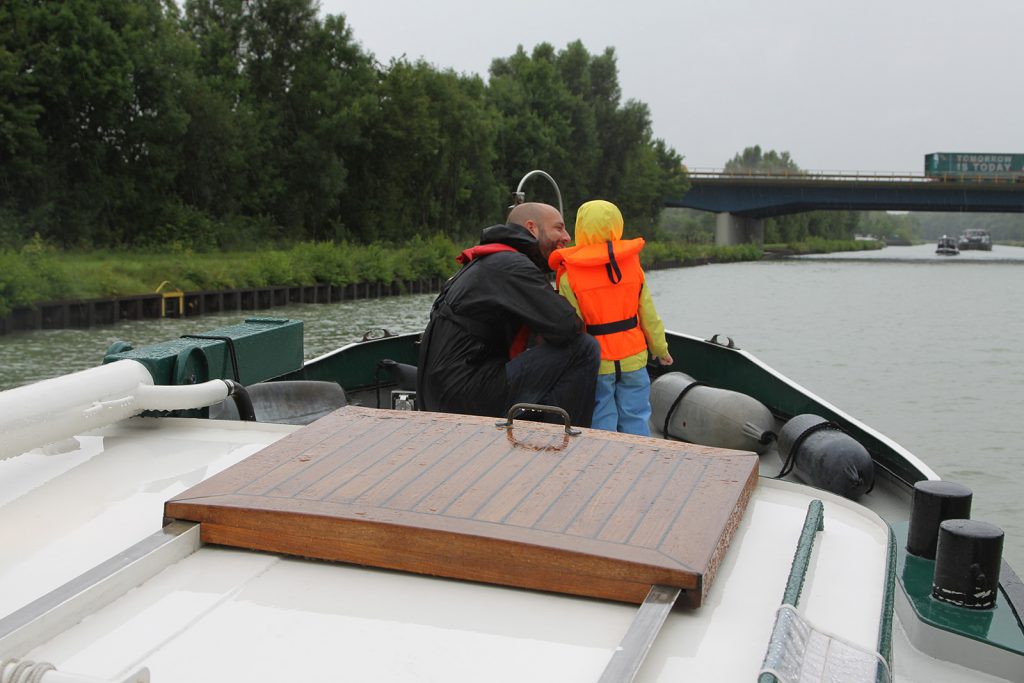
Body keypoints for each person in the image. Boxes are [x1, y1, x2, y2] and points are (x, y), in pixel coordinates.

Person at [416, 202, 601, 426]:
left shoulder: (490, 262)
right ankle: (562, 446)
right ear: (532, 228)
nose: (567, 236)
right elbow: (566, 326)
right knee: (584, 349)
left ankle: (540, 428)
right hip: (463, 397)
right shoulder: (512, 265)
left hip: (439, 395)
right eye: (559, 228)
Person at [547, 199, 672, 436]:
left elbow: (572, 326)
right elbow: (648, 314)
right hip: (633, 356)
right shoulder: (632, 266)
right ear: (617, 225)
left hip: (597, 359)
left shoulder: (569, 273)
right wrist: (660, 348)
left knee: (602, 414)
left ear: (580, 228)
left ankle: (606, 465)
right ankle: (638, 461)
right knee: (635, 415)